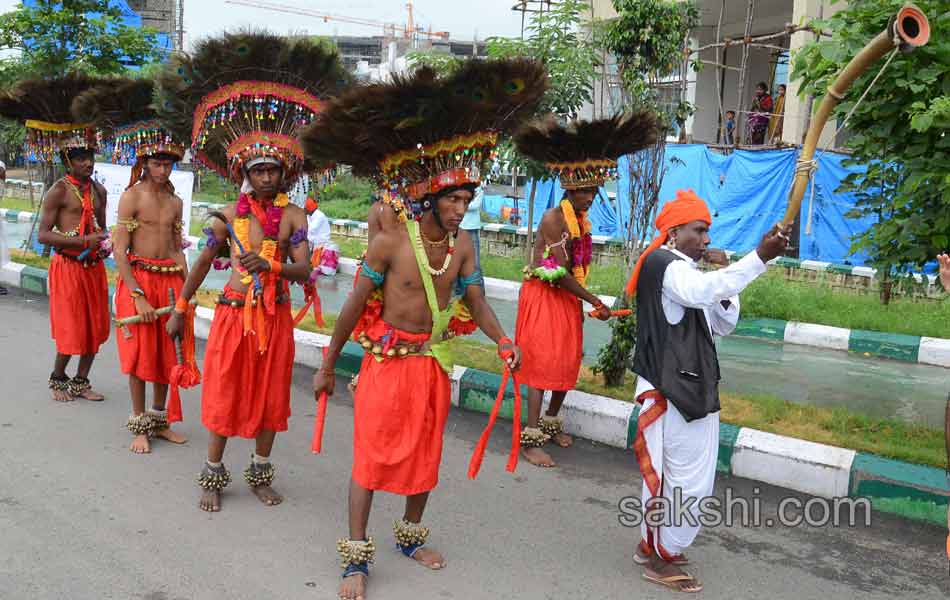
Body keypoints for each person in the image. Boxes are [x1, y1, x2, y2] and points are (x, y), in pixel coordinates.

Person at [304, 57, 544, 600]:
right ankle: (355, 558)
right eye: (454, 199)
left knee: (424, 456)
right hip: (386, 366)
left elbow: (476, 302)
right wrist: (326, 364)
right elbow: (351, 308)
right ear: (430, 197)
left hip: (432, 363)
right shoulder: (390, 241)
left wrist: (503, 339)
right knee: (371, 457)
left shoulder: (464, 245)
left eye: (466, 200)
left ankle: (410, 537)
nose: (462, 208)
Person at [161, 31, 348, 512]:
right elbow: (204, 261)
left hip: (275, 318)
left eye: (273, 170)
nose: (266, 176)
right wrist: (181, 307)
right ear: (246, 171)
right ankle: (213, 475)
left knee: (270, 400)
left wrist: (271, 263)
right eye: (258, 170)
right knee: (224, 396)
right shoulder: (227, 214)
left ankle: (261, 471)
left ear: (285, 173)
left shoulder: (294, 218)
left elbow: (305, 271)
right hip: (231, 317)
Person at [623, 189, 790, 593]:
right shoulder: (664, 264)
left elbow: (723, 322)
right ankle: (661, 555)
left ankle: (655, 545)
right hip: (670, 393)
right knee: (682, 483)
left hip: (692, 393)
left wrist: (729, 271)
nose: (706, 240)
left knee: (683, 480)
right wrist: (759, 257)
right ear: (675, 231)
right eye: (699, 231)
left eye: (707, 232)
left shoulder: (687, 273)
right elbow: (700, 292)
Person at [511, 112, 658, 467]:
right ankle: (530, 439)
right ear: (569, 189)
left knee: (567, 360)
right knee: (542, 362)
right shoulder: (553, 218)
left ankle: (549, 423)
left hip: (565, 298)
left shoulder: (581, 220)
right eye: (584, 192)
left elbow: (572, 271)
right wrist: (595, 300)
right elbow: (559, 272)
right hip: (544, 296)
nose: (590, 197)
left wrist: (587, 298)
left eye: (593, 191)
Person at [74, 77, 196, 453]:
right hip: (139, 281)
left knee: (165, 355)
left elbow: (176, 247)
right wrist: (139, 296)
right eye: (158, 163)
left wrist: (187, 289)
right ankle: (139, 423)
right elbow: (120, 252)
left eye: (169, 164)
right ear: (144, 163)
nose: (164, 170)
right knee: (140, 356)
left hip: (170, 282)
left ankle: (159, 421)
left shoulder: (175, 202)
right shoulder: (131, 197)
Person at [0, 75, 113, 402]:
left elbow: (100, 232)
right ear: (68, 161)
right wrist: (82, 243)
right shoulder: (58, 191)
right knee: (72, 329)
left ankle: (82, 381)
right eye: (80, 158)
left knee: (94, 329)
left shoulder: (99, 190)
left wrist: (103, 246)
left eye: (89, 156)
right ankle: (58, 377)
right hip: (66, 268)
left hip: (92, 270)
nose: (87, 162)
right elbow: (44, 235)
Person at [460, 186, 483, 276]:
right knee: (457, 260)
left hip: (472, 228)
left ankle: (478, 287)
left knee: (475, 262)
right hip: (459, 228)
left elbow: (475, 205)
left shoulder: (478, 189)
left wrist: (460, 203)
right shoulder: (461, 188)